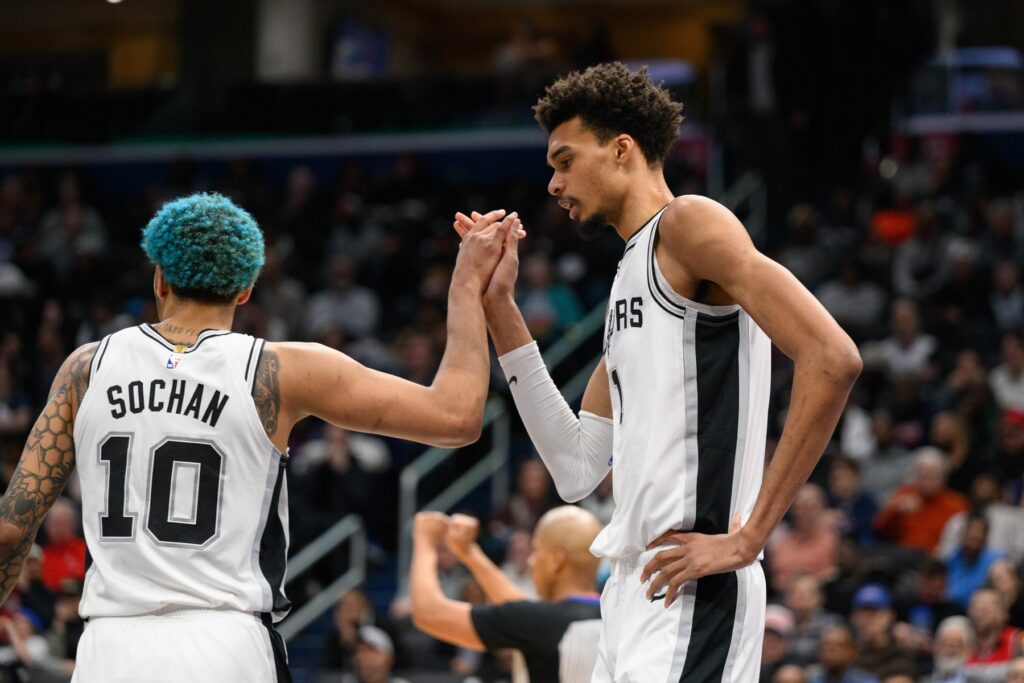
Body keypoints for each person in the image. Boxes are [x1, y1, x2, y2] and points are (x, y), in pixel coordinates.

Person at [453, 61, 862, 680]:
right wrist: (500, 309)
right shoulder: (628, 278)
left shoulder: (689, 223)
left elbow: (833, 357)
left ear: (621, 151)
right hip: (630, 589)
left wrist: (749, 538)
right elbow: (575, 467)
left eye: (564, 161)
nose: (553, 185)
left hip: (691, 583)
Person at [0, 194, 518, 681]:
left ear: (158, 279)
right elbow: (457, 417)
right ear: (246, 290)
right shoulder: (280, 369)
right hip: (225, 644)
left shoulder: (87, 367)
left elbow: (9, 533)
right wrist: (466, 284)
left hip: (107, 649)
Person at [410, 507, 602, 683]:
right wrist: (468, 552)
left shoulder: (541, 623)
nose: (531, 562)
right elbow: (520, 609)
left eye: (536, 551)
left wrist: (425, 540)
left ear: (556, 561)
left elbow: (429, 613)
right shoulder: (612, 614)